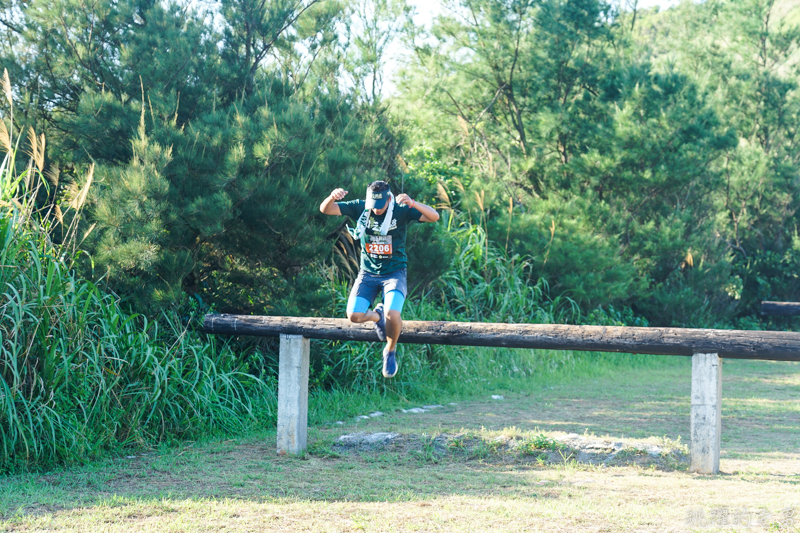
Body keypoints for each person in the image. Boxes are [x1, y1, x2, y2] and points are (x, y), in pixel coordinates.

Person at [319, 180, 439, 377]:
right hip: (367, 274)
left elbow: (434, 216)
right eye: (372, 205)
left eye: (379, 206)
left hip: (394, 274)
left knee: (393, 313)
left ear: (389, 199)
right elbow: (326, 209)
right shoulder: (360, 207)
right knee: (354, 316)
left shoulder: (401, 209)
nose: (375, 210)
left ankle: (390, 351)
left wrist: (413, 203)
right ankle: (377, 316)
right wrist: (332, 196)